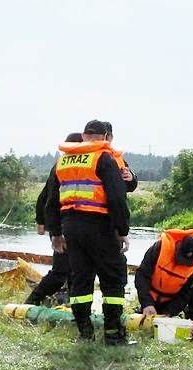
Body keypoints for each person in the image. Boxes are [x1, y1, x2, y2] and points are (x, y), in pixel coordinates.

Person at [27, 126, 138, 306]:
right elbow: (48, 195)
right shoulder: (69, 162)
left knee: (81, 272)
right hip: (68, 224)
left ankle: (72, 307)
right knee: (63, 271)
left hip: (99, 226)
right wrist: (44, 222)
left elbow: (127, 187)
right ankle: (32, 302)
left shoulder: (110, 158)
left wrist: (131, 177)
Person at [45, 119, 131, 345]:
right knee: (113, 279)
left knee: (80, 280)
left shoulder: (63, 161)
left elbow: (51, 199)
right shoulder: (103, 157)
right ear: (105, 137)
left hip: (71, 228)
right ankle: (113, 334)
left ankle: (85, 333)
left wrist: (55, 233)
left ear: (83, 136)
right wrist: (122, 230)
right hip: (100, 225)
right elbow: (116, 197)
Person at [134, 229, 193, 320]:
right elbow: (142, 276)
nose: (182, 263)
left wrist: (169, 313)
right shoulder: (159, 248)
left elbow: (185, 294)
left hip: (172, 301)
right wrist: (147, 303)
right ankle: (147, 309)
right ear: (178, 246)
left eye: (186, 261)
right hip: (152, 298)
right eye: (181, 258)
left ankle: (192, 318)